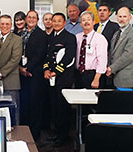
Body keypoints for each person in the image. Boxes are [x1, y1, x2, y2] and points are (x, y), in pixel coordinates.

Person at [43, 12, 76, 147]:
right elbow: (46, 56)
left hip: (63, 78)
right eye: (54, 21)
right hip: (50, 78)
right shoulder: (49, 37)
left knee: (63, 108)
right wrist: (46, 69)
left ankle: (63, 136)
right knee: (54, 107)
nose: (56, 23)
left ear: (64, 23)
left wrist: (55, 72)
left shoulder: (69, 37)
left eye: (58, 21)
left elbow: (69, 58)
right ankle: (56, 132)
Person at [18, 10, 48, 140]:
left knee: (35, 104)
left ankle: (35, 134)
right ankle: (24, 132)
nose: (31, 19)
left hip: (34, 74)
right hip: (21, 74)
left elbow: (40, 54)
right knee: (24, 104)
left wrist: (27, 68)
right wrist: (20, 68)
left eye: (33, 17)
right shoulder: (20, 33)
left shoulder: (41, 34)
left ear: (37, 20)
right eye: (29, 17)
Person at [0, 15, 22, 124]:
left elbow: (15, 59)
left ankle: (15, 135)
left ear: (11, 25)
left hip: (10, 80)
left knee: (12, 110)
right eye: (2, 24)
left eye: (7, 24)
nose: (5, 26)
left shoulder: (17, 39)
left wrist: (1, 72)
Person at [106, 7, 133, 88]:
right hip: (112, 77)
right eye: (120, 16)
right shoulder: (116, 33)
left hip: (124, 78)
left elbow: (128, 56)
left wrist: (112, 68)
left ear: (130, 17)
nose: (122, 19)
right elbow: (111, 53)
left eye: (124, 16)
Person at [75, 11, 108, 89]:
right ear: (80, 23)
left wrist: (96, 78)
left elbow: (102, 61)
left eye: (88, 19)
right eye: (83, 20)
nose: (86, 22)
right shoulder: (77, 37)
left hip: (93, 75)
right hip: (78, 75)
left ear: (93, 22)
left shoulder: (100, 38)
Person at [94, 2, 119, 88]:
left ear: (109, 13)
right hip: (94, 66)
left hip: (107, 65)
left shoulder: (115, 27)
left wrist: (111, 65)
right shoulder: (94, 27)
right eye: (100, 10)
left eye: (104, 10)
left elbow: (115, 48)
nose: (102, 12)